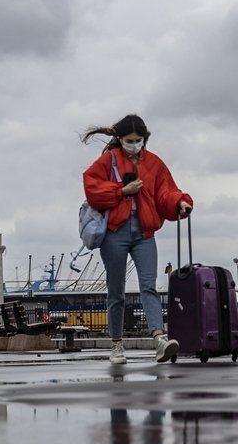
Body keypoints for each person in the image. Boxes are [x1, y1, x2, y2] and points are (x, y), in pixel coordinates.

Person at [82, 113, 193, 365]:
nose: (134, 144)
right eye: (130, 140)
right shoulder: (108, 160)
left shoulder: (154, 163)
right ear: (120, 139)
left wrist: (181, 202)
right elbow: (91, 188)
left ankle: (159, 339)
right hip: (114, 234)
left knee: (148, 285)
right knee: (116, 291)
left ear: (145, 139)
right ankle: (116, 344)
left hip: (144, 233)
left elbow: (166, 192)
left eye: (139, 140)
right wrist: (121, 191)